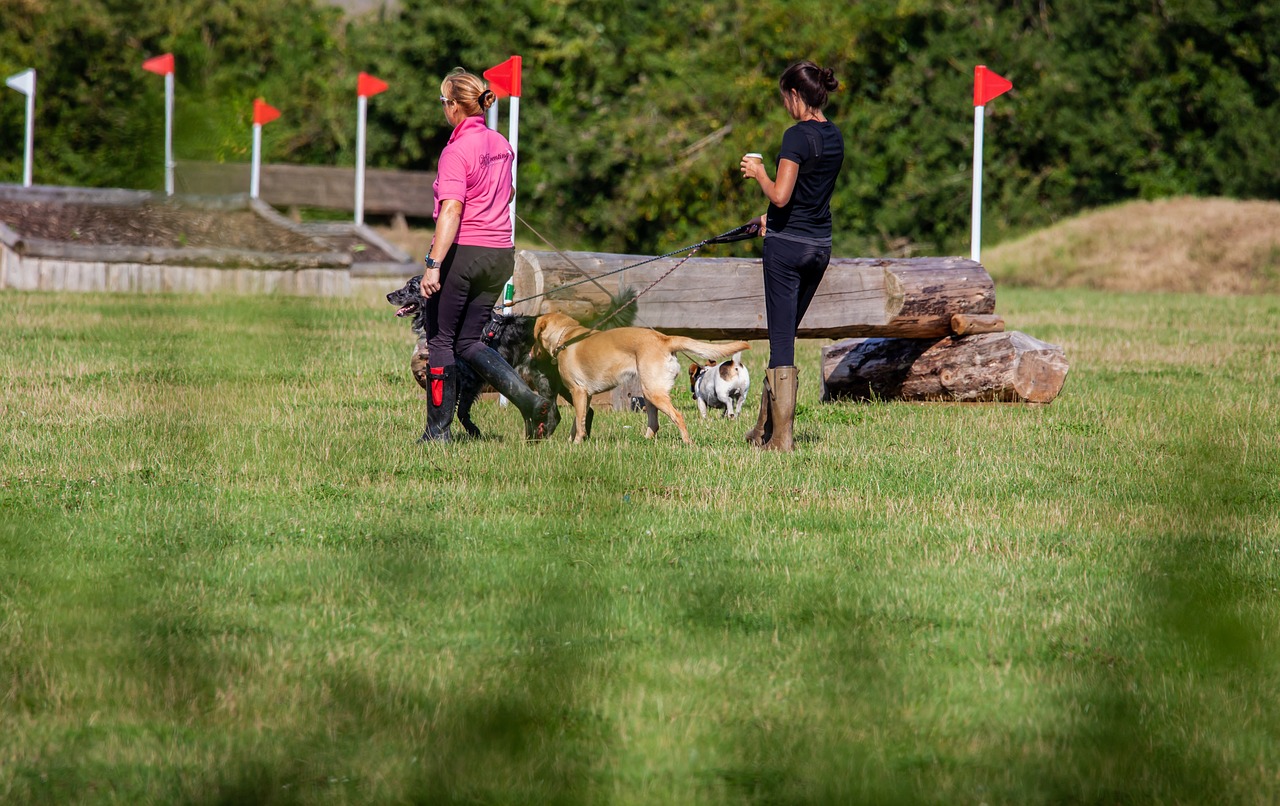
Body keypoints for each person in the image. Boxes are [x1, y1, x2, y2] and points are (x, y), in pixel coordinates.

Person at [419, 68, 556, 442]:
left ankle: (437, 433)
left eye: (443, 101)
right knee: (469, 342)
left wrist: (433, 265)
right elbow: (508, 193)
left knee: (441, 341)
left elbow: (452, 210)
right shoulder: (501, 143)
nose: (443, 108)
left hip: (465, 253)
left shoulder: (455, 150)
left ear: (455, 106)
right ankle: (531, 402)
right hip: (499, 256)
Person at [739, 60, 844, 452]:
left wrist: (758, 173)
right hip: (819, 246)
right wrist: (771, 218)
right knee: (784, 335)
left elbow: (781, 195)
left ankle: (781, 438)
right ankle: (763, 427)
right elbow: (810, 195)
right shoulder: (834, 136)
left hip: (787, 249)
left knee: (782, 341)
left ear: (796, 95)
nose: (785, 105)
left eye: (786, 97)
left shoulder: (796, 136)